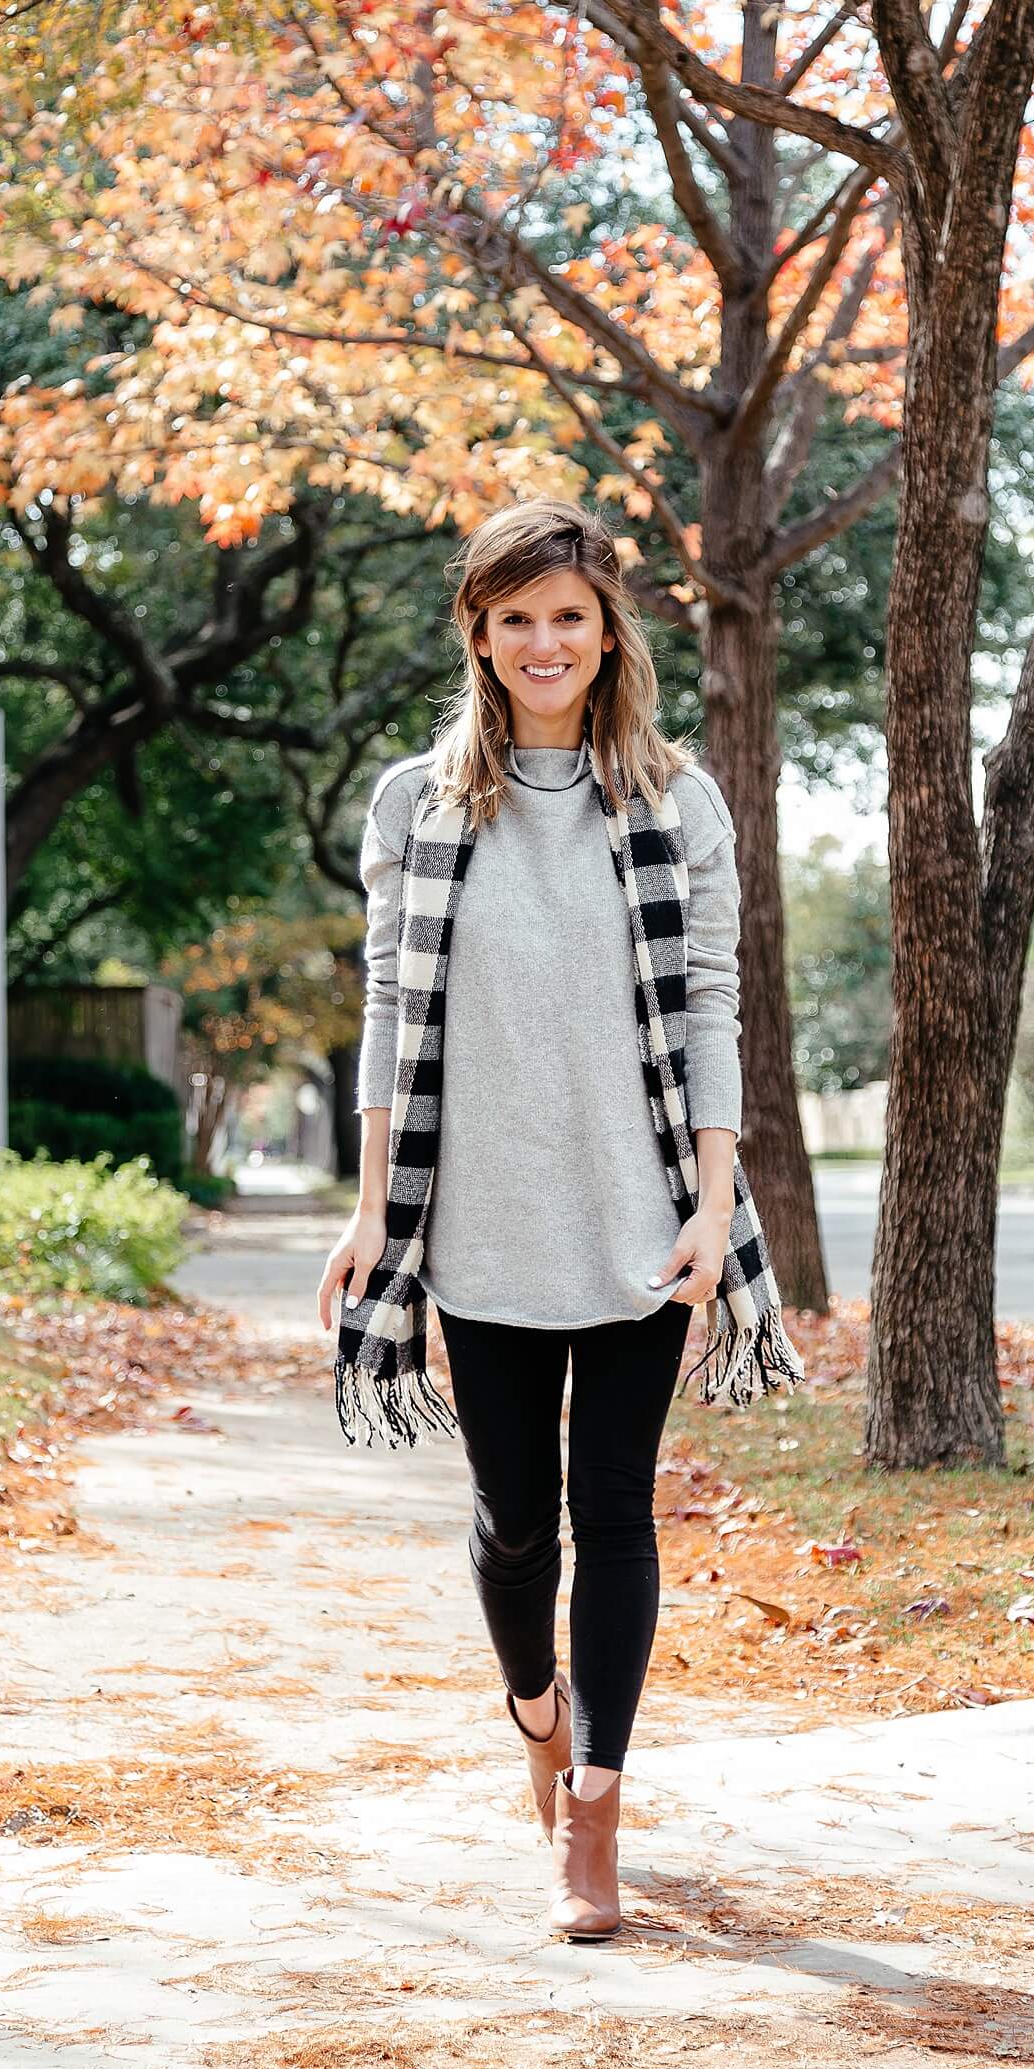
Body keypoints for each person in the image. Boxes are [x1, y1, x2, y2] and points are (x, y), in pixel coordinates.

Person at [317, 499, 800, 1941]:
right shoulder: (417, 804)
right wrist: (366, 1211)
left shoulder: (674, 803)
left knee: (617, 1513)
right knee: (514, 1525)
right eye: (517, 617)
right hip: (477, 1211)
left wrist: (716, 1203)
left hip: (642, 1208)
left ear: (607, 639)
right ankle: (535, 1707)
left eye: (569, 619)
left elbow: (712, 998)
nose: (544, 642)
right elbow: (390, 1011)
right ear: (480, 631)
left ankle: (592, 1806)